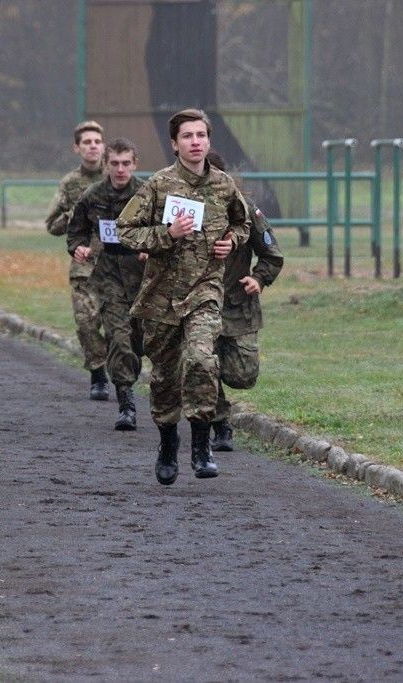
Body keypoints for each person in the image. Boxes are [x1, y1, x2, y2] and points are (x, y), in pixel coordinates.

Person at [117, 108, 249, 485]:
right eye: (187, 136)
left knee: (201, 360)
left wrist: (231, 241)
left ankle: (202, 444)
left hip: (205, 291)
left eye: (201, 135)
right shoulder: (158, 185)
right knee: (164, 377)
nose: (195, 142)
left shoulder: (224, 185)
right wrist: (166, 235)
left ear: (209, 141)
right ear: (174, 144)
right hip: (162, 295)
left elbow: (243, 223)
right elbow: (126, 230)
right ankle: (168, 442)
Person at [203, 151, 284, 452]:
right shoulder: (186, 211)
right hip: (199, 304)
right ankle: (219, 423)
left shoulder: (246, 211)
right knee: (202, 366)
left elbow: (272, 255)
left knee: (243, 375)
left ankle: (211, 387)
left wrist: (259, 278)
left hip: (237, 304)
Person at [67, 137, 146, 430]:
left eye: (126, 163)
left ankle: (129, 373)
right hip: (109, 275)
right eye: (114, 163)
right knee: (118, 337)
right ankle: (127, 405)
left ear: (135, 164)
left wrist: (151, 247)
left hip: (143, 278)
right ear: (106, 165)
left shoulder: (147, 193)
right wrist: (79, 247)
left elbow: (167, 229)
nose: (121, 169)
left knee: (138, 341)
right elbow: (76, 230)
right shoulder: (92, 196)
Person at [46, 120, 109, 400]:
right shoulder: (70, 184)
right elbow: (52, 225)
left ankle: (122, 375)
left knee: (124, 327)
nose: (93, 146)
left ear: (103, 146)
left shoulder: (117, 176)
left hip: (119, 266)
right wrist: (73, 215)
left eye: (97, 141)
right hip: (84, 264)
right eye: (87, 142)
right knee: (86, 322)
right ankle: (98, 375)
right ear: (77, 148)